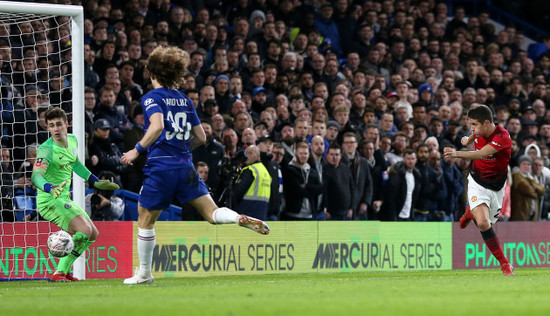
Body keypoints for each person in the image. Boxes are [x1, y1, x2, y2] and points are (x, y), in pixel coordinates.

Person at [120, 46, 269, 285]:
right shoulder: (184, 100)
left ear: (152, 72)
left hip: (161, 167)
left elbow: (157, 126)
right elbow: (202, 137)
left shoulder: (151, 98)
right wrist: (182, 150)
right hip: (185, 166)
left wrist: (136, 150)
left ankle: (145, 273)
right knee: (211, 213)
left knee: (145, 219)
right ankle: (237, 218)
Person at [31, 107, 119, 282]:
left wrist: (95, 181)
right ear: (47, 128)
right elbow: (35, 176)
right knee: (84, 230)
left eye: (58, 124)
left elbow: (76, 164)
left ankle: (63, 271)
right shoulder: (46, 150)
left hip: (62, 198)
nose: (55, 129)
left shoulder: (72, 140)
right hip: (49, 200)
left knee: (93, 233)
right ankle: (59, 272)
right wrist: (49, 187)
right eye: (51, 126)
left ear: (66, 124)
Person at [443, 104, 515, 275]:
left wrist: (456, 153)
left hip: (497, 187)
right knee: (483, 223)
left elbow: (481, 154)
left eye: (475, 124)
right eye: (471, 124)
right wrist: (466, 140)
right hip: (477, 181)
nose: (472, 128)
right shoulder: (479, 130)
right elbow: (473, 136)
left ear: (487, 123)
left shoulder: (502, 137)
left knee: (488, 222)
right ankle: (505, 264)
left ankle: (470, 212)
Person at [232, 145, 272, 220]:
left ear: (258, 156)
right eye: (246, 153)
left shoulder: (250, 170)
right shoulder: (265, 171)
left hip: (247, 210)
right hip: (262, 211)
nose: (247, 156)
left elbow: (237, 192)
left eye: (250, 153)